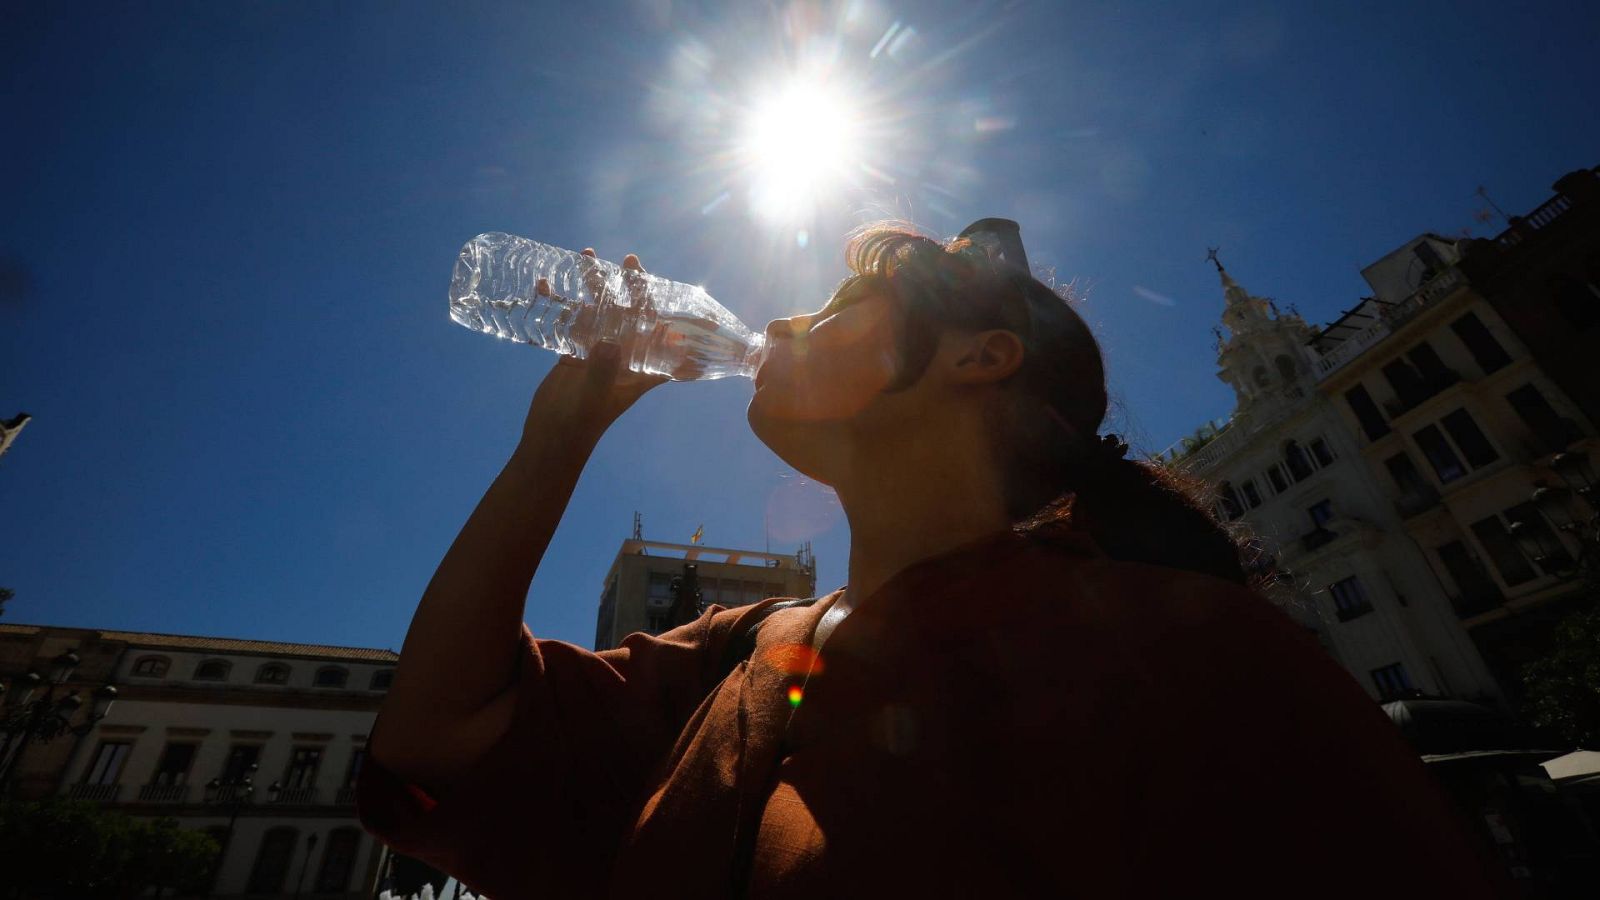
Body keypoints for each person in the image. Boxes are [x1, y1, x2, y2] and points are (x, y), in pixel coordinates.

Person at [357, 222, 1513, 898]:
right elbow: (438, 739)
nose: (787, 321)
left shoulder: (1195, 659)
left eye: (846, 300)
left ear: (979, 357)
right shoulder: (744, 652)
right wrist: (556, 438)